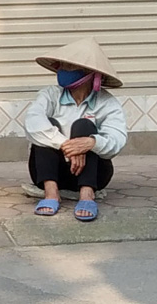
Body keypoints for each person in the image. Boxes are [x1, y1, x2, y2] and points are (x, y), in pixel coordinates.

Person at [25, 37, 127, 222]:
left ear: (89, 74)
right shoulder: (49, 95)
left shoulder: (108, 103)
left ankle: (87, 194)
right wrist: (66, 144)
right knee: (48, 125)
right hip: (50, 172)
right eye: (62, 66)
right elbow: (33, 122)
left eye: (70, 67)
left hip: (95, 174)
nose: (63, 71)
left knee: (84, 125)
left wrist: (91, 143)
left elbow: (117, 139)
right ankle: (51, 193)